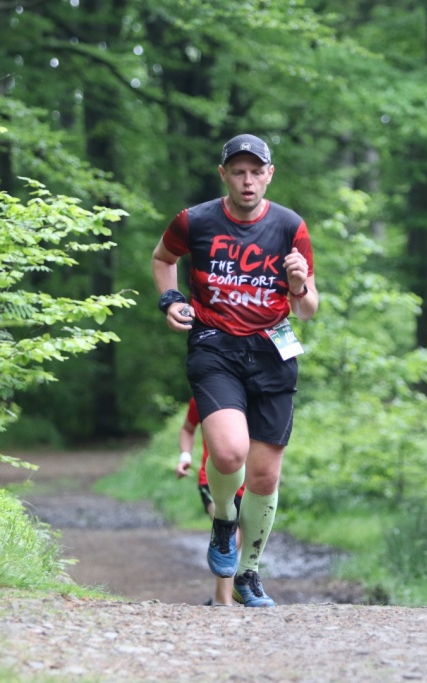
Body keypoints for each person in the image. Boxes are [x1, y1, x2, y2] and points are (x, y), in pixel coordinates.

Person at [152, 133, 319, 608]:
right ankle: (224, 519)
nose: (248, 181)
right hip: (215, 346)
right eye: (239, 172)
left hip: (271, 352)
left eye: (256, 172)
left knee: (264, 478)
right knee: (228, 455)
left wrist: (298, 284)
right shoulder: (195, 220)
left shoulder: (290, 226)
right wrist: (171, 299)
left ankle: (248, 574)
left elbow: (307, 309)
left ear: (270, 175)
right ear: (223, 174)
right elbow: (163, 258)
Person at [174, 397, 245, 606]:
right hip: (213, 479)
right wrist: (185, 457)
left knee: (240, 539)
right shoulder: (207, 393)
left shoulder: (257, 393)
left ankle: (219, 597)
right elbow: (188, 428)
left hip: (249, 483)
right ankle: (224, 603)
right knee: (230, 535)